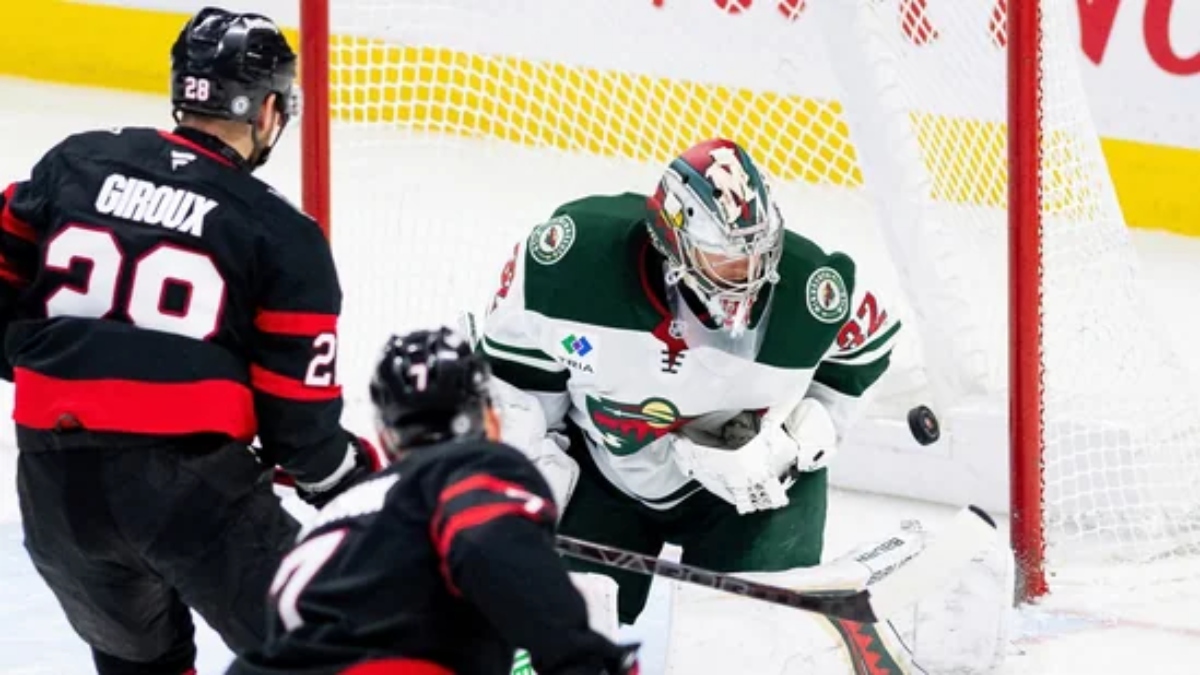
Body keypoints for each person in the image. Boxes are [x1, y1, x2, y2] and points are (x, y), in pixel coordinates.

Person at [0, 7, 382, 674]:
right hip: (189, 492)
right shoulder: (281, 233)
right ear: (268, 110)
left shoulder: (75, 161)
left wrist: (62, 363)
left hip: (54, 486)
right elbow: (298, 426)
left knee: (142, 665)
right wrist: (349, 476)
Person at [473, 137, 905, 665]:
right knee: (550, 647)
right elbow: (510, 386)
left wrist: (787, 444)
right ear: (669, 242)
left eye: (756, 253)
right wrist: (528, 488)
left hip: (754, 498)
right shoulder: (566, 267)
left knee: (750, 654)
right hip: (606, 477)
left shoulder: (813, 290)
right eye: (723, 260)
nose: (746, 278)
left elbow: (859, 361)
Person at [227, 326, 640, 675]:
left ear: (386, 436)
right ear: (491, 419)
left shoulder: (333, 518)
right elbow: (487, 542)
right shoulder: (471, 469)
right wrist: (585, 657)